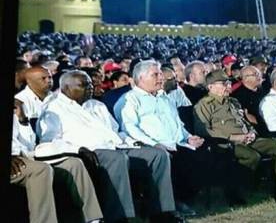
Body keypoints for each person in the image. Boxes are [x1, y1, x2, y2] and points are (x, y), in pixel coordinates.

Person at [37, 70, 177, 222]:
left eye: (91, 84)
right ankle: (119, 217)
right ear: (66, 87)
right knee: (117, 159)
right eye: (84, 85)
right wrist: (77, 149)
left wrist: (134, 143)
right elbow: (49, 142)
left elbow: (117, 132)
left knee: (157, 155)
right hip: (88, 153)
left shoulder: (97, 105)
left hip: (117, 147)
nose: (91, 87)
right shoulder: (53, 109)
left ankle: (162, 213)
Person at [194, 70, 276, 205]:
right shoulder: (204, 105)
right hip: (226, 144)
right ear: (210, 87)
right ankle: (235, 190)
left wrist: (252, 133)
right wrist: (234, 137)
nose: (228, 86)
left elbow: (245, 122)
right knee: (252, 156)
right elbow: (204, 131)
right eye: (223, 83)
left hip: (248, 139)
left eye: (229, 83)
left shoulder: (233, 102)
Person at [114, 60, 207, 216]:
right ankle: (171, 205)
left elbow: (178, 124)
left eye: (160, 74)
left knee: (201, 154)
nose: (161, 78)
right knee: (170, 160)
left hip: (177, 143)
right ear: (141, 78)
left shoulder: (164, 97)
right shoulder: (129, 100)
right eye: (155, 75)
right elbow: (129, 128)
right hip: (150, 147)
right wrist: (154, 144)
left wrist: (189, 137)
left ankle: (185, 199)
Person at [12, 100, 103, 223]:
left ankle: (92, 219)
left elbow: (29, 144)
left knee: (74, 164)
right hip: (15, 161)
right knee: (42, 170)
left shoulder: (16, 106)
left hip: (25, 155)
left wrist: (22, 119)